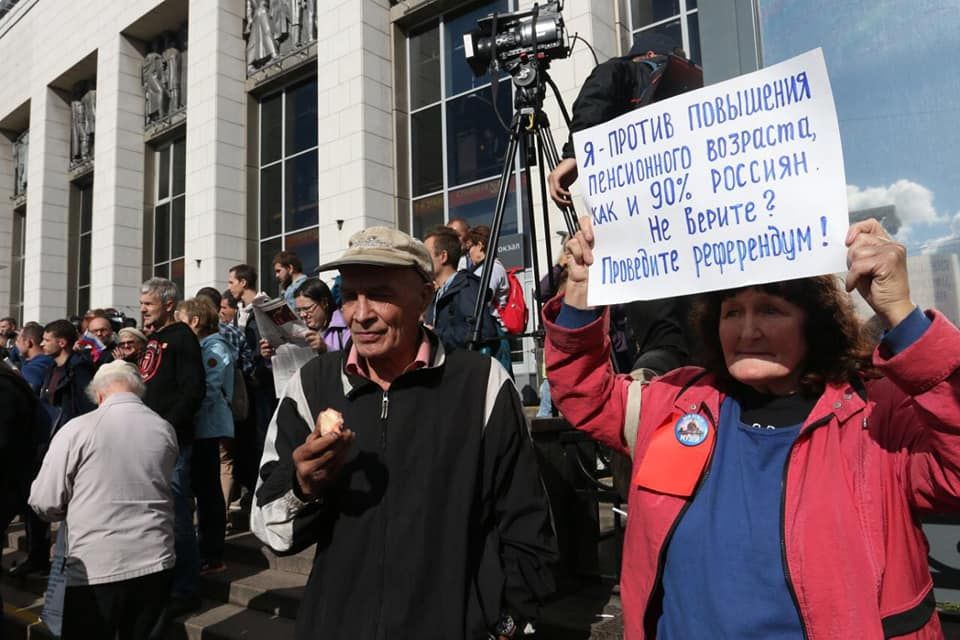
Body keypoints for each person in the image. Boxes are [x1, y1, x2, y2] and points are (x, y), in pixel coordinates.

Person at [544, 216, 960, 639]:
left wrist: (902, 316)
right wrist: (579, 297)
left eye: (770, 309)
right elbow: (585, 393)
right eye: (732, 312)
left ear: (814, 323)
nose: (747, 330)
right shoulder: (678, 401)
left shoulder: (875, 414)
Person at [252, 226, 556, 639]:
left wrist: (504, 622)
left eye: (380, 294)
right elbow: (269, 527)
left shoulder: (482, 384)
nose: (360, 314)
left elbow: (527, 521)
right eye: (350, 296)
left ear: (425, 297)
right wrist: (302, 487)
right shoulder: (311, 385)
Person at [28, 361, 178, 639]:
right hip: (156, 558)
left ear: (98, 394)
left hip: (97, 565)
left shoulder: (78, 429)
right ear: (138, 390)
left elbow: (44, 500)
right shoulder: (164, 429)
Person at [138, 277, 205, 618]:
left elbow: (193, 390)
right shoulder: (154, 339)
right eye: (141, 304)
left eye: (148, 304)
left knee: (178, 516)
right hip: (146, 442)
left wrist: (165, 427)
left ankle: (186, 589)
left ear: (168, 304)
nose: (142, 309)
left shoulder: (182, 338)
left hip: (172, 441)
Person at [176, 297, 235, 575]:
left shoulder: (215, 347)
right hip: (200, 426)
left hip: (208, 426)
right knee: (203, 487)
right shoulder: (202, 346)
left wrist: (187, 411)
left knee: (209, 490)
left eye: (182, 320)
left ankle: (212, 552)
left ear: (195, 321)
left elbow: (210, 387)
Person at [423, 225, 498, 352]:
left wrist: (436, 334)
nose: (422, 261)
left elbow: (484, 330)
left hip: (464, 363)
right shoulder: (438, 294)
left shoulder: (466, 286)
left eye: (426, 255)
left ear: (443, 256)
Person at [292, 277, 350, 353]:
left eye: (307, 308)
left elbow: (351, 358)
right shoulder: (303, 329)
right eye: (299, 310)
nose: (302, 315)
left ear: (324, 303)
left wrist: (326, 349)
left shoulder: (345, 328)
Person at [14, 322, 54, 393]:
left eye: (18, 341)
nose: (16, 344)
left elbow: (25, 396)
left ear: (28, 343)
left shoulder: (31, 369)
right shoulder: (52, 360)